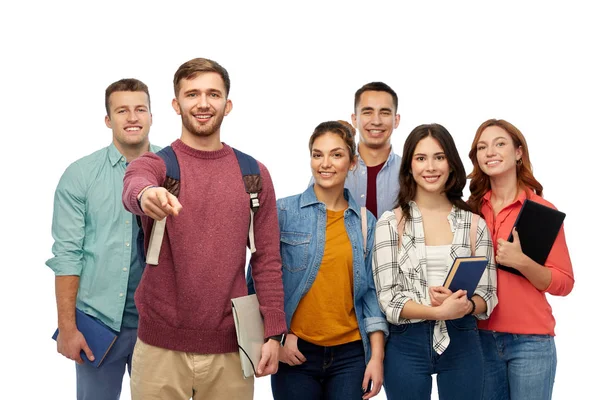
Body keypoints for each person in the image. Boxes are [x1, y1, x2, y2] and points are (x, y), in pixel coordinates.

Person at [122, 57, 287, 400]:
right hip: (159, 351)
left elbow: (267, 259)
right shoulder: (160, 165)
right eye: (192, 94)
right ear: (176, 104)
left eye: (213, 94)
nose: (202, 103)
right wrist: (147, 194)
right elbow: (135, 180)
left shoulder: (253, 174)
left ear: (227, 105)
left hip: (231, 349)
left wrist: (274, 332)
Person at [46, 78, 159, 400]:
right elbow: (67, 254)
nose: (132, 118)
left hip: (160, 326)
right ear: (108, 120)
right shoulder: (80, 175)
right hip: (98, 323)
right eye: (122, 110)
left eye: (140, 109)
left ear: (152, 116)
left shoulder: (175, 168)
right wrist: (68, 329)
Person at [372, 123, 498, 399]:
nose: (430, 167)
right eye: (421, 158)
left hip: (462, 337)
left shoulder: (474, 224)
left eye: (439, 157)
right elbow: (388, 299)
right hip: (407, 342)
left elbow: (488, 295)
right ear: (409, 167)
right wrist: (437, 312)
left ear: (451, 164)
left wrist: (464, 306)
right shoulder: (390, 224)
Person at [270, 121, 388, 400]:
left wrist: (376, 358)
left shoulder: (365, 223)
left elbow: (372, 295)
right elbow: (261, 283)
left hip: (350, 355)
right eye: (317, 154)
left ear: (352, 162)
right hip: (295, 353)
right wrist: (276, 339)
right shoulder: (283, 212)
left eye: (336, 154)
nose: (325, 163)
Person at [467, 119, 574, 400]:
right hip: (478, 339)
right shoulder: (469, 211)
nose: (490, 151)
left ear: (518, 152)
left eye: (499, 143)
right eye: (482, 147)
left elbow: (564, 282)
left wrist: (522, 261)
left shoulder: (541, 211)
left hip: (530, 342)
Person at [348, 81, 402, 218]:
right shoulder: (333, 169)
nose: (376, 121)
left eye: (384, 113)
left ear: (396, 120)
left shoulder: (410, 172)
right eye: (367, 112)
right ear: (354, 119)